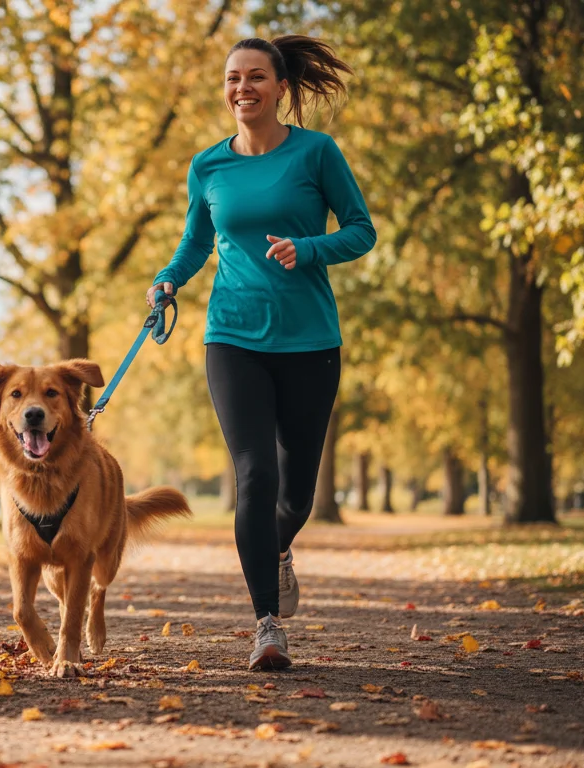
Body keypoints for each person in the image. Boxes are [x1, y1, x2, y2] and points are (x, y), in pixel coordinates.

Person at [145, 35, 375, 671]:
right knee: (254, 473)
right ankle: (267, 625)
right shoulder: (209, 167)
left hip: (310, 341)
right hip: (233, 336)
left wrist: (310, 248)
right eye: (231, 79)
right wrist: (167, 280)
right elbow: (196, 243)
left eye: (253, 77)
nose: (240, 88)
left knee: (295, 492)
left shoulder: (316, 153)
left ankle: (276, 549)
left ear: (278, 87)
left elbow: (362, 230)